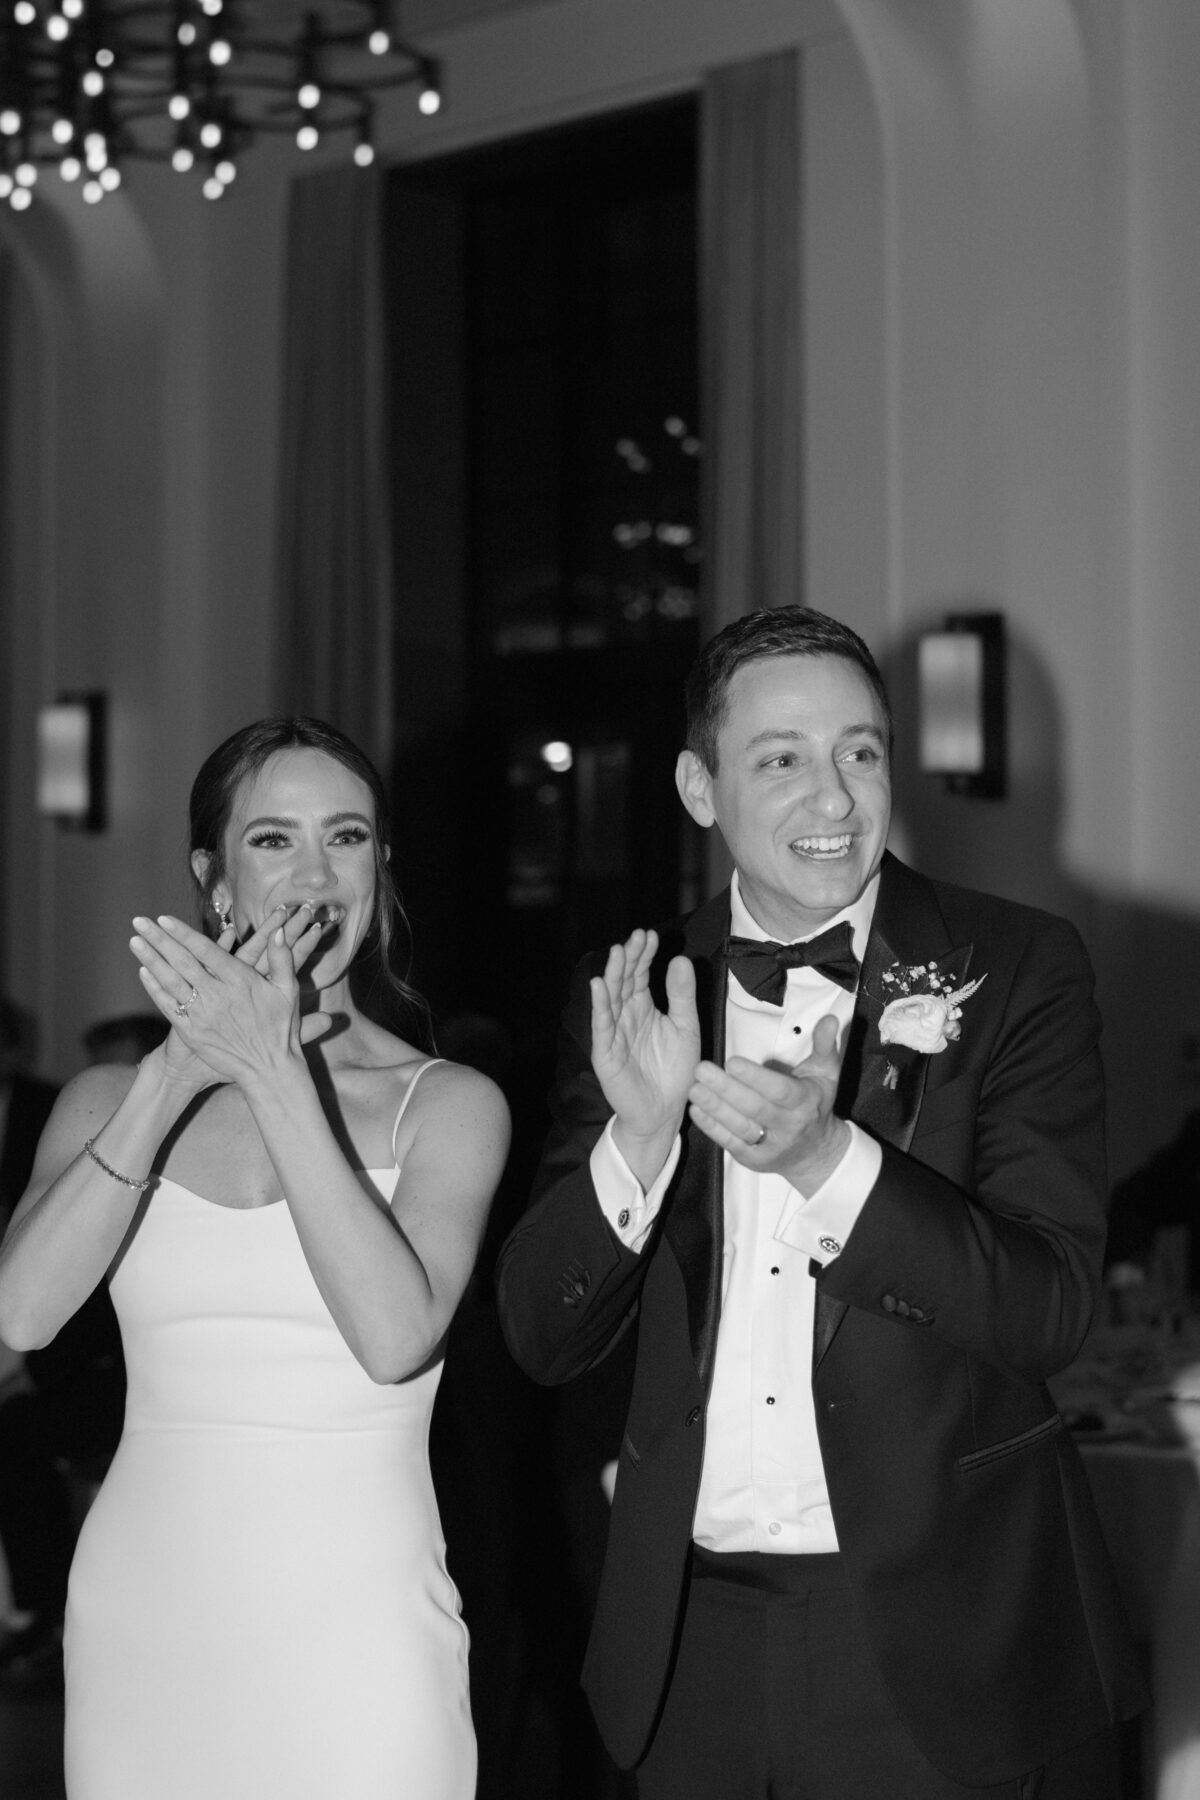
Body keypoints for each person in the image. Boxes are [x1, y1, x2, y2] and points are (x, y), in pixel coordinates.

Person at [496, 607, 1145, 1800]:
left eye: (860, 751)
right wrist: (638, 1141)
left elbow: (1050, 1309)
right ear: (700, 788)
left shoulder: (1017, 967)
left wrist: (826, 1161)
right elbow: (542, 1332)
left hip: (943, 1646)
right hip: (687, 1648)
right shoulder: (637, 990)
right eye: (782, 759)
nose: (835, 797)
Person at [0, 716, 510, 1799]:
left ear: (380, 867)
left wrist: (272, 1068)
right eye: (275, 839)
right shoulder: (108, 1098)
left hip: (360, 1628)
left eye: (348, 837)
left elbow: (395, 1339)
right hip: (146, 1624)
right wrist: (174, 1077)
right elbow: (21, 1314)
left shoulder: (447, 1105)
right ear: (213, 876)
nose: (316, 875)